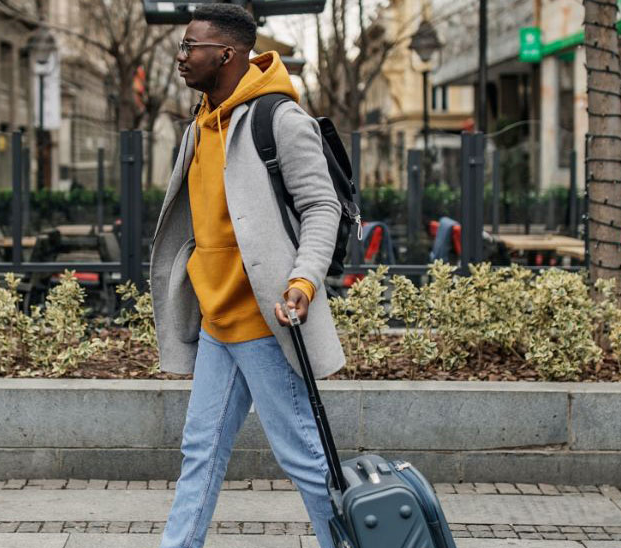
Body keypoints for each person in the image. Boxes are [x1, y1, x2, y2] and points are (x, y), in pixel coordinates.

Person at [151, 5, 344, 548]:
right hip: (217, 318)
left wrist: (303, 281)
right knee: (201, 451)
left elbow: (322, 206)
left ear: (227, 54)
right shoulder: (199, 122)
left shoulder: (278, 119)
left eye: (192, 47)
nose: (182, 57)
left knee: (304, 455)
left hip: (266, 318)